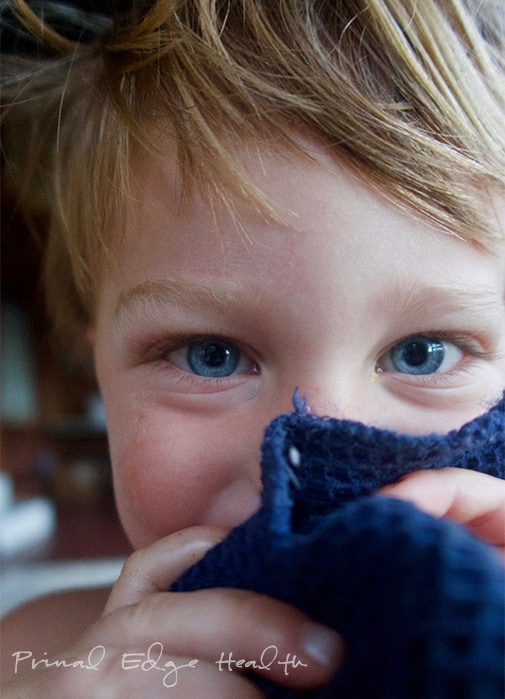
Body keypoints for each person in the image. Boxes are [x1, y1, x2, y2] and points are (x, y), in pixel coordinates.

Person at [1, 0, 504, 695]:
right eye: (211, 354)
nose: (308, 464)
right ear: (99, 367)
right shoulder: (35, 657)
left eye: (424, 352)